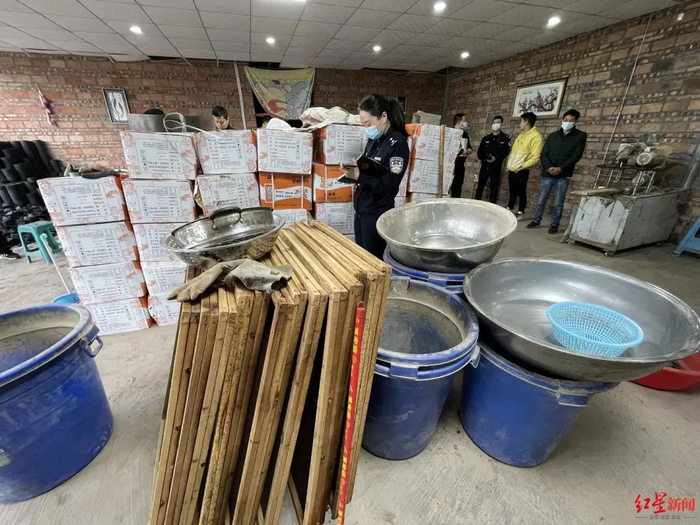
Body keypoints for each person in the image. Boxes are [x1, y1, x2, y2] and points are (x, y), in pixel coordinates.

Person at [340, 94, 410, 259]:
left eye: (368, 124)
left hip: (376, 214)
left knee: (373, 260)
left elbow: (389, 186)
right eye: (364, 125)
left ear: (383, 117)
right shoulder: (374, 140)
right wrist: (353, 171)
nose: (367, 129)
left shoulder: (397, 144)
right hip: (362, 211)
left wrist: (360, 176)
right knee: (361, 258)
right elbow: (369, 169)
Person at [527, 109, 587, 234]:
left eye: (571, 120)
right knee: (541, 200)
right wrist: (549, 167)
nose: (567, 122)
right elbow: (544, 154)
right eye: (565, 120)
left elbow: (576, 156)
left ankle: (554, 224)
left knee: (558, 202)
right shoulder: (552, 136)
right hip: (547, 173)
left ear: (575, 121)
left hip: (563, 175)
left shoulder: (580, 136)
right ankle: (536, 220)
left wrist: (561, 168)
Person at [506, 112, 543, 216]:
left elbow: (535, 157)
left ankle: (521, 211)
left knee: (521, 191)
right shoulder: (521, 135)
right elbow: (514, 152)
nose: (520, 124)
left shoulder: (536, 137)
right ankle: (510, 207)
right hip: (512, 168)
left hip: (522, 169)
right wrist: (509, 165)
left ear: (526, 122)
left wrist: (522, 166)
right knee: (512, 190)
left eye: (521, 121)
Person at [475, 115, 511, 203]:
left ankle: (492, 206)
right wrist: (485, 158)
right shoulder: (486, 138)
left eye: (498, 122)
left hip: (496, 168)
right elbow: (480, 153)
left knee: (493, 190)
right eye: (494, 123)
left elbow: (505, 152)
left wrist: (496, 158)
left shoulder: (505, 138)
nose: (495, 124)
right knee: (480, 188)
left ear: (502, 124)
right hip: (485, 166)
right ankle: (475, 204)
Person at [450, 113, 473, 198]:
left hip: (460, 165)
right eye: (464, 121)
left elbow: (469, 147)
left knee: (457, 187)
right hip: (451, 165)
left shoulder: (465, 134)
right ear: (458, 122)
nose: (465, 123)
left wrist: (468, 151)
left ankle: (455, 201)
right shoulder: (450, 133)